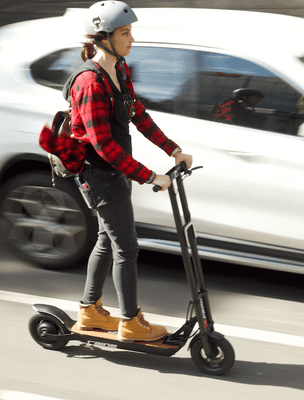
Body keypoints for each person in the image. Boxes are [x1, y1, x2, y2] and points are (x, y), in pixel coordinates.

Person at [62, 1, 193, 342]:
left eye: (131, 31)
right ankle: (131, 323)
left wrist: (173, 149)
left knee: (109, 238)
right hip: (98, 174)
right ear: (103, 38)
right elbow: (103, 145)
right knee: (127, 248)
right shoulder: (90, 83)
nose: (131, 39)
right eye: (124, 33)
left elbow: (138, 114)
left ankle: (90, 310)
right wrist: (150, 176)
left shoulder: (119, 70)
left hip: (115, 172)